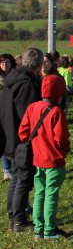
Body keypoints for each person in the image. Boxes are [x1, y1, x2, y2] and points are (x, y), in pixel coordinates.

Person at [18, 74, 70, 240]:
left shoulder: (32, 107)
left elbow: (23, 132)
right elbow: (61, 138)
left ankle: (38, 228)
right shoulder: (56, 112)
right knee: (51, 194)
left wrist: (36, 142)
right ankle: (50, 229)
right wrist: (65, 150)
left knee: (40, 192)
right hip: (54, 160)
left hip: (38, 159)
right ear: (58, 92)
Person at [4, 47, 43, 232]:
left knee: (16, 177)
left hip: (9, 134)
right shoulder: (27, 84)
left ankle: (13, 216)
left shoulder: (14, 77)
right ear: (39, 65)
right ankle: (19, 219)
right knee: (23, 179)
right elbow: (28, 115)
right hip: (21, 138)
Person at [0, 53, 17, 182]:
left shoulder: (16, 76)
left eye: (7, 62)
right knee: (3, 139)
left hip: (12, 110)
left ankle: (14, 167)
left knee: (12, 138)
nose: (4, 65)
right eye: (2, 63)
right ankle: (6, 169)